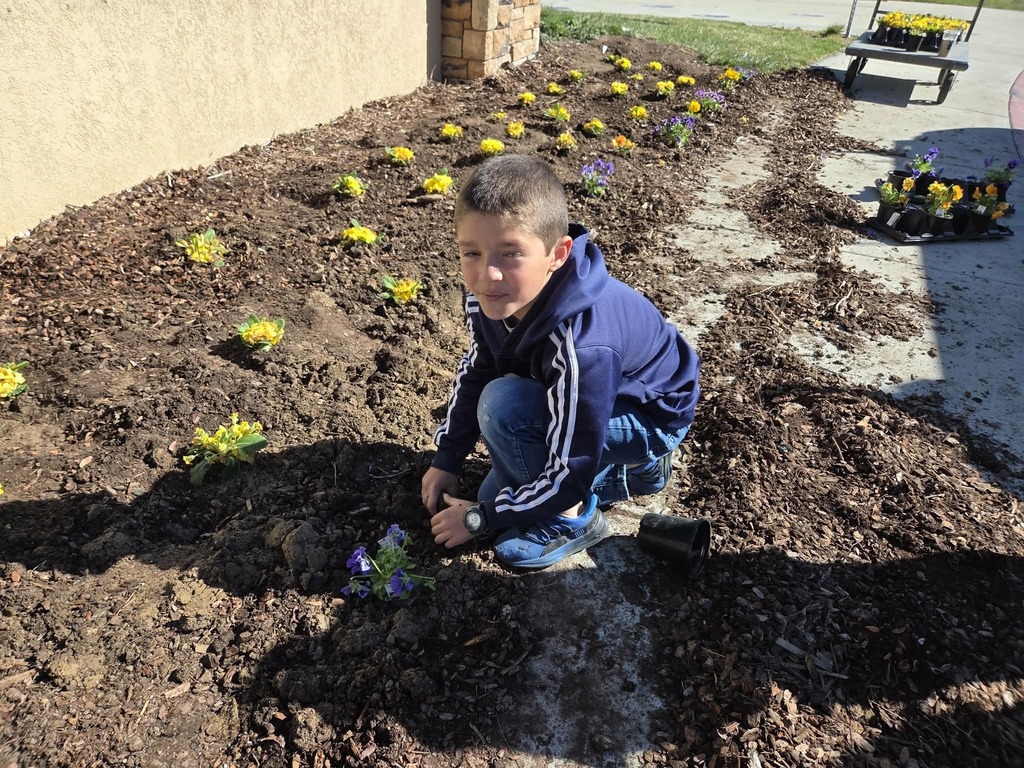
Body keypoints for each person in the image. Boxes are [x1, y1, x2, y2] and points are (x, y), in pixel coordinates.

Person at [421, 154, 700, 569]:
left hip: (652, 414)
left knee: (503, 412)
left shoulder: (582, 343)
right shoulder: (490, 299)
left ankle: (573, 520)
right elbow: (479, 369)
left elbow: (572, 466)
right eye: (472, 253)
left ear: (557, 253)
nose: (487, 275)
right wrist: (447, 456)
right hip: (598, 397)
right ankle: (640, 472)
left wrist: (482, 518)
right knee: (494, 474)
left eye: (510, 253)